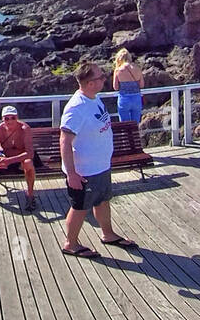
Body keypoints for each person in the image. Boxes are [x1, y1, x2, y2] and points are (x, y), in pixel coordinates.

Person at [59, 62, 135, 257]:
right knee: (80, 207)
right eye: (101, 77)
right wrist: (72, 174)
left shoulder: (95, 98)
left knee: (102, 201)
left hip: (100, 166)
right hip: (84, 171)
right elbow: (65, 141)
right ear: (90, 83)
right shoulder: (76, 108)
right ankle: (71, 243)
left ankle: (108, 234)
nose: (104, 79)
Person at [0, 106, 38, 209]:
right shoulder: (0, 129)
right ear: (2, 119)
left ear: (17, 117)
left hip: (19, 160)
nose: (10, 121)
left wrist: (9, 161)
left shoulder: (24, 129)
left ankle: (30, 196)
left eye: (13, 118)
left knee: (28, 163)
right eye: (6, 118)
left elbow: (30, 153)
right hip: (4, 158)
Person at [110, 50, 145, 144]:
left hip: (124, 99)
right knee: (135, 124)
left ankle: (126, 146)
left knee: (124, 124)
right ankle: (135, 145)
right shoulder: (137, 68)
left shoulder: (118, 70)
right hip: (136, 99)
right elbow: (141, 85)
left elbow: (115, 87)